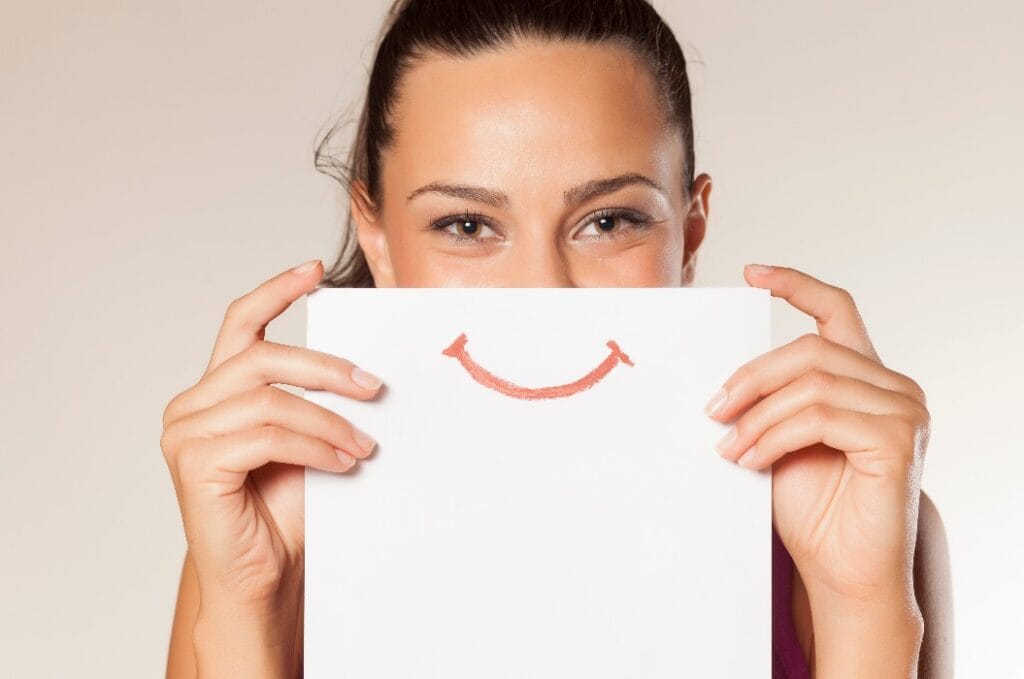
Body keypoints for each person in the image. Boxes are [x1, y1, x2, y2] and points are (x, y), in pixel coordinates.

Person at [160, 1, 953, 676]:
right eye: (467, 224)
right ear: (378, 237)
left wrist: (862, 609)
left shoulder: (843, 517)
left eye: (608, 221)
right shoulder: (274, 532)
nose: (542, 287)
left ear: (691, 226)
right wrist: (245, 615)